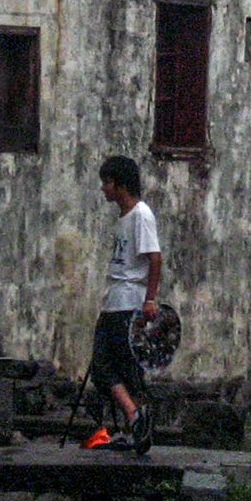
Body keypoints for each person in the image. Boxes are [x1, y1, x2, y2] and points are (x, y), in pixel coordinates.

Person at [93, 154, 162, 450]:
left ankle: (136, 419)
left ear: (120, 185)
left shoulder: (141, 215)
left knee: (121, 366)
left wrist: (150, 300)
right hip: (114, 299)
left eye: (107, 182)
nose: (104, 188)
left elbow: (154, 258)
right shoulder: (123, 218)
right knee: (103, 367)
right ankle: (133, 421)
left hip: (128, 301)